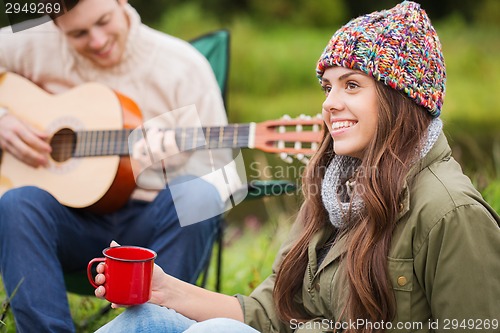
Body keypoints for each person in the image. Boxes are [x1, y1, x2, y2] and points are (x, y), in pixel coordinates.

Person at [93, 1, 500, 332]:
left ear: (402, 100)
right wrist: (162, 289)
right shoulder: (333, 190)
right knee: (144, 319)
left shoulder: (451, 212)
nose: (329, 103)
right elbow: (269, 313)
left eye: (352, 85)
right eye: (328, 87)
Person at [0, 0, 241, 331]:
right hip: (68, 223)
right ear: (55, 24)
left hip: (151, 229)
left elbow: (225, 177)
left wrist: (174, 166)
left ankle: (152, 325)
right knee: (17, 203)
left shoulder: (184, 65)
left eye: (104, 21)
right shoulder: (34, 37)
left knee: (197, 195)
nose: (97, 41)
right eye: (79, 33)